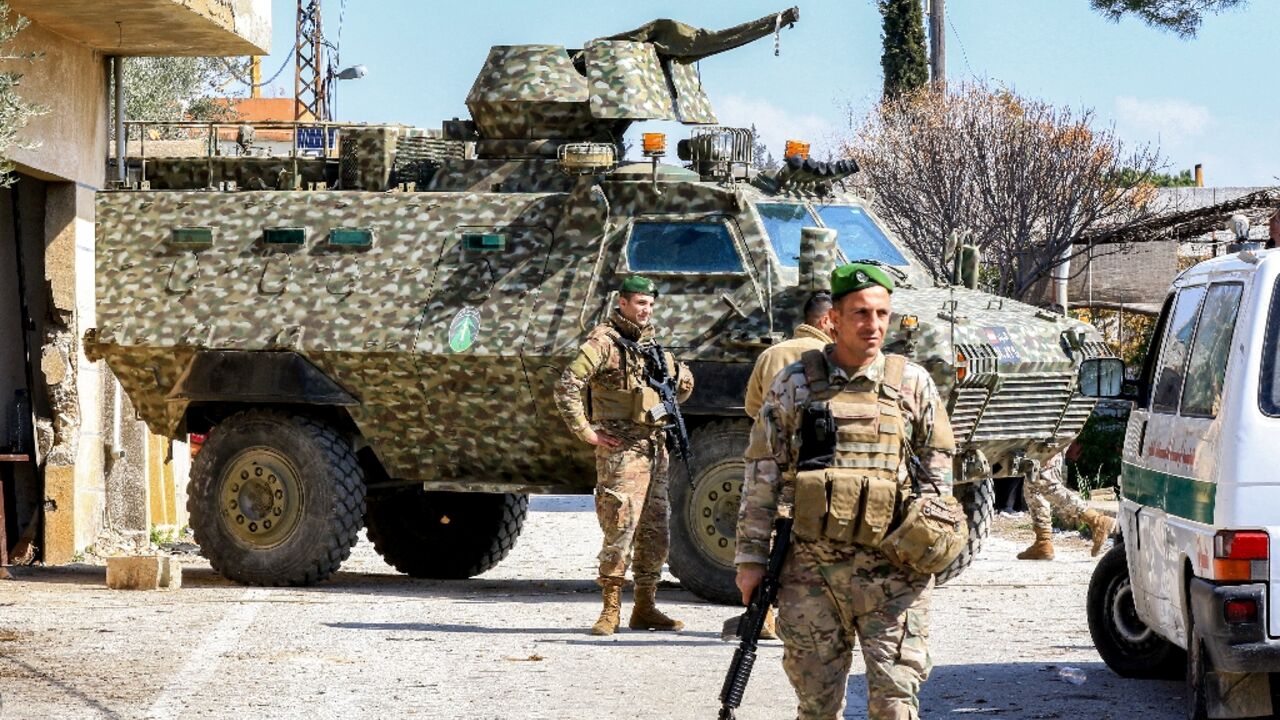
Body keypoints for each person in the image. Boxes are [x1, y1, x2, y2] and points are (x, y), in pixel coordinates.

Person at [735, 262, 956, 720]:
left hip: (894, 574)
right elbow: (762, 475)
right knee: (817, 707)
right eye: (860, 313)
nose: (873, 325)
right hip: (811, 574)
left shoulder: (913, 383)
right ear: (833, 318)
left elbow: (939, 481)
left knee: (896, 702)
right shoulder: (794, 383)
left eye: (881, 313)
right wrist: (751, 560)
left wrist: (934, 545)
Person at [554, 276, 694, 636]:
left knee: (655, 531)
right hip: (620, 450)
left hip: (654, 447)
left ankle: (645, 607)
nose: (646, 310)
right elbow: (567, 386)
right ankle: (610, 609)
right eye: (640, 303)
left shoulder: (651, 345)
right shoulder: (604, 343)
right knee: (620, 527)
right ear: (623, 303)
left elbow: (682, 387)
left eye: (650, 304)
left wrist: (674, 380)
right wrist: (587, 432)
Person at [725, 292, 836, 642]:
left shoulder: (772, 354)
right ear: (825, 321)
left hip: (773, 460)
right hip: (819, 464)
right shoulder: (833, 357)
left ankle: (764, 615)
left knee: (770, 536)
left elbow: (752, 406)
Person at [1017, 452, 1114, 560]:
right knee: (1033, 488)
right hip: (1040, 445)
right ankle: (1042, 542)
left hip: (1047, 445)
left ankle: (1096, 520)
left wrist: (1052, 452)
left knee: (1048, 485)